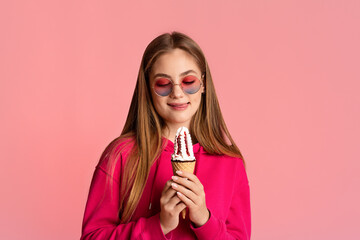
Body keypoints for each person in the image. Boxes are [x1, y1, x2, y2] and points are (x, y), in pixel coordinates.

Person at [80, 31, 251, 239]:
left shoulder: (230, 163)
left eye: (189, 81)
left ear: (204, 84)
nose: (177, 93)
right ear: (148, 88)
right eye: (163, 84)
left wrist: (204, 220)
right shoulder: (121, 155)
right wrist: (158, 225)